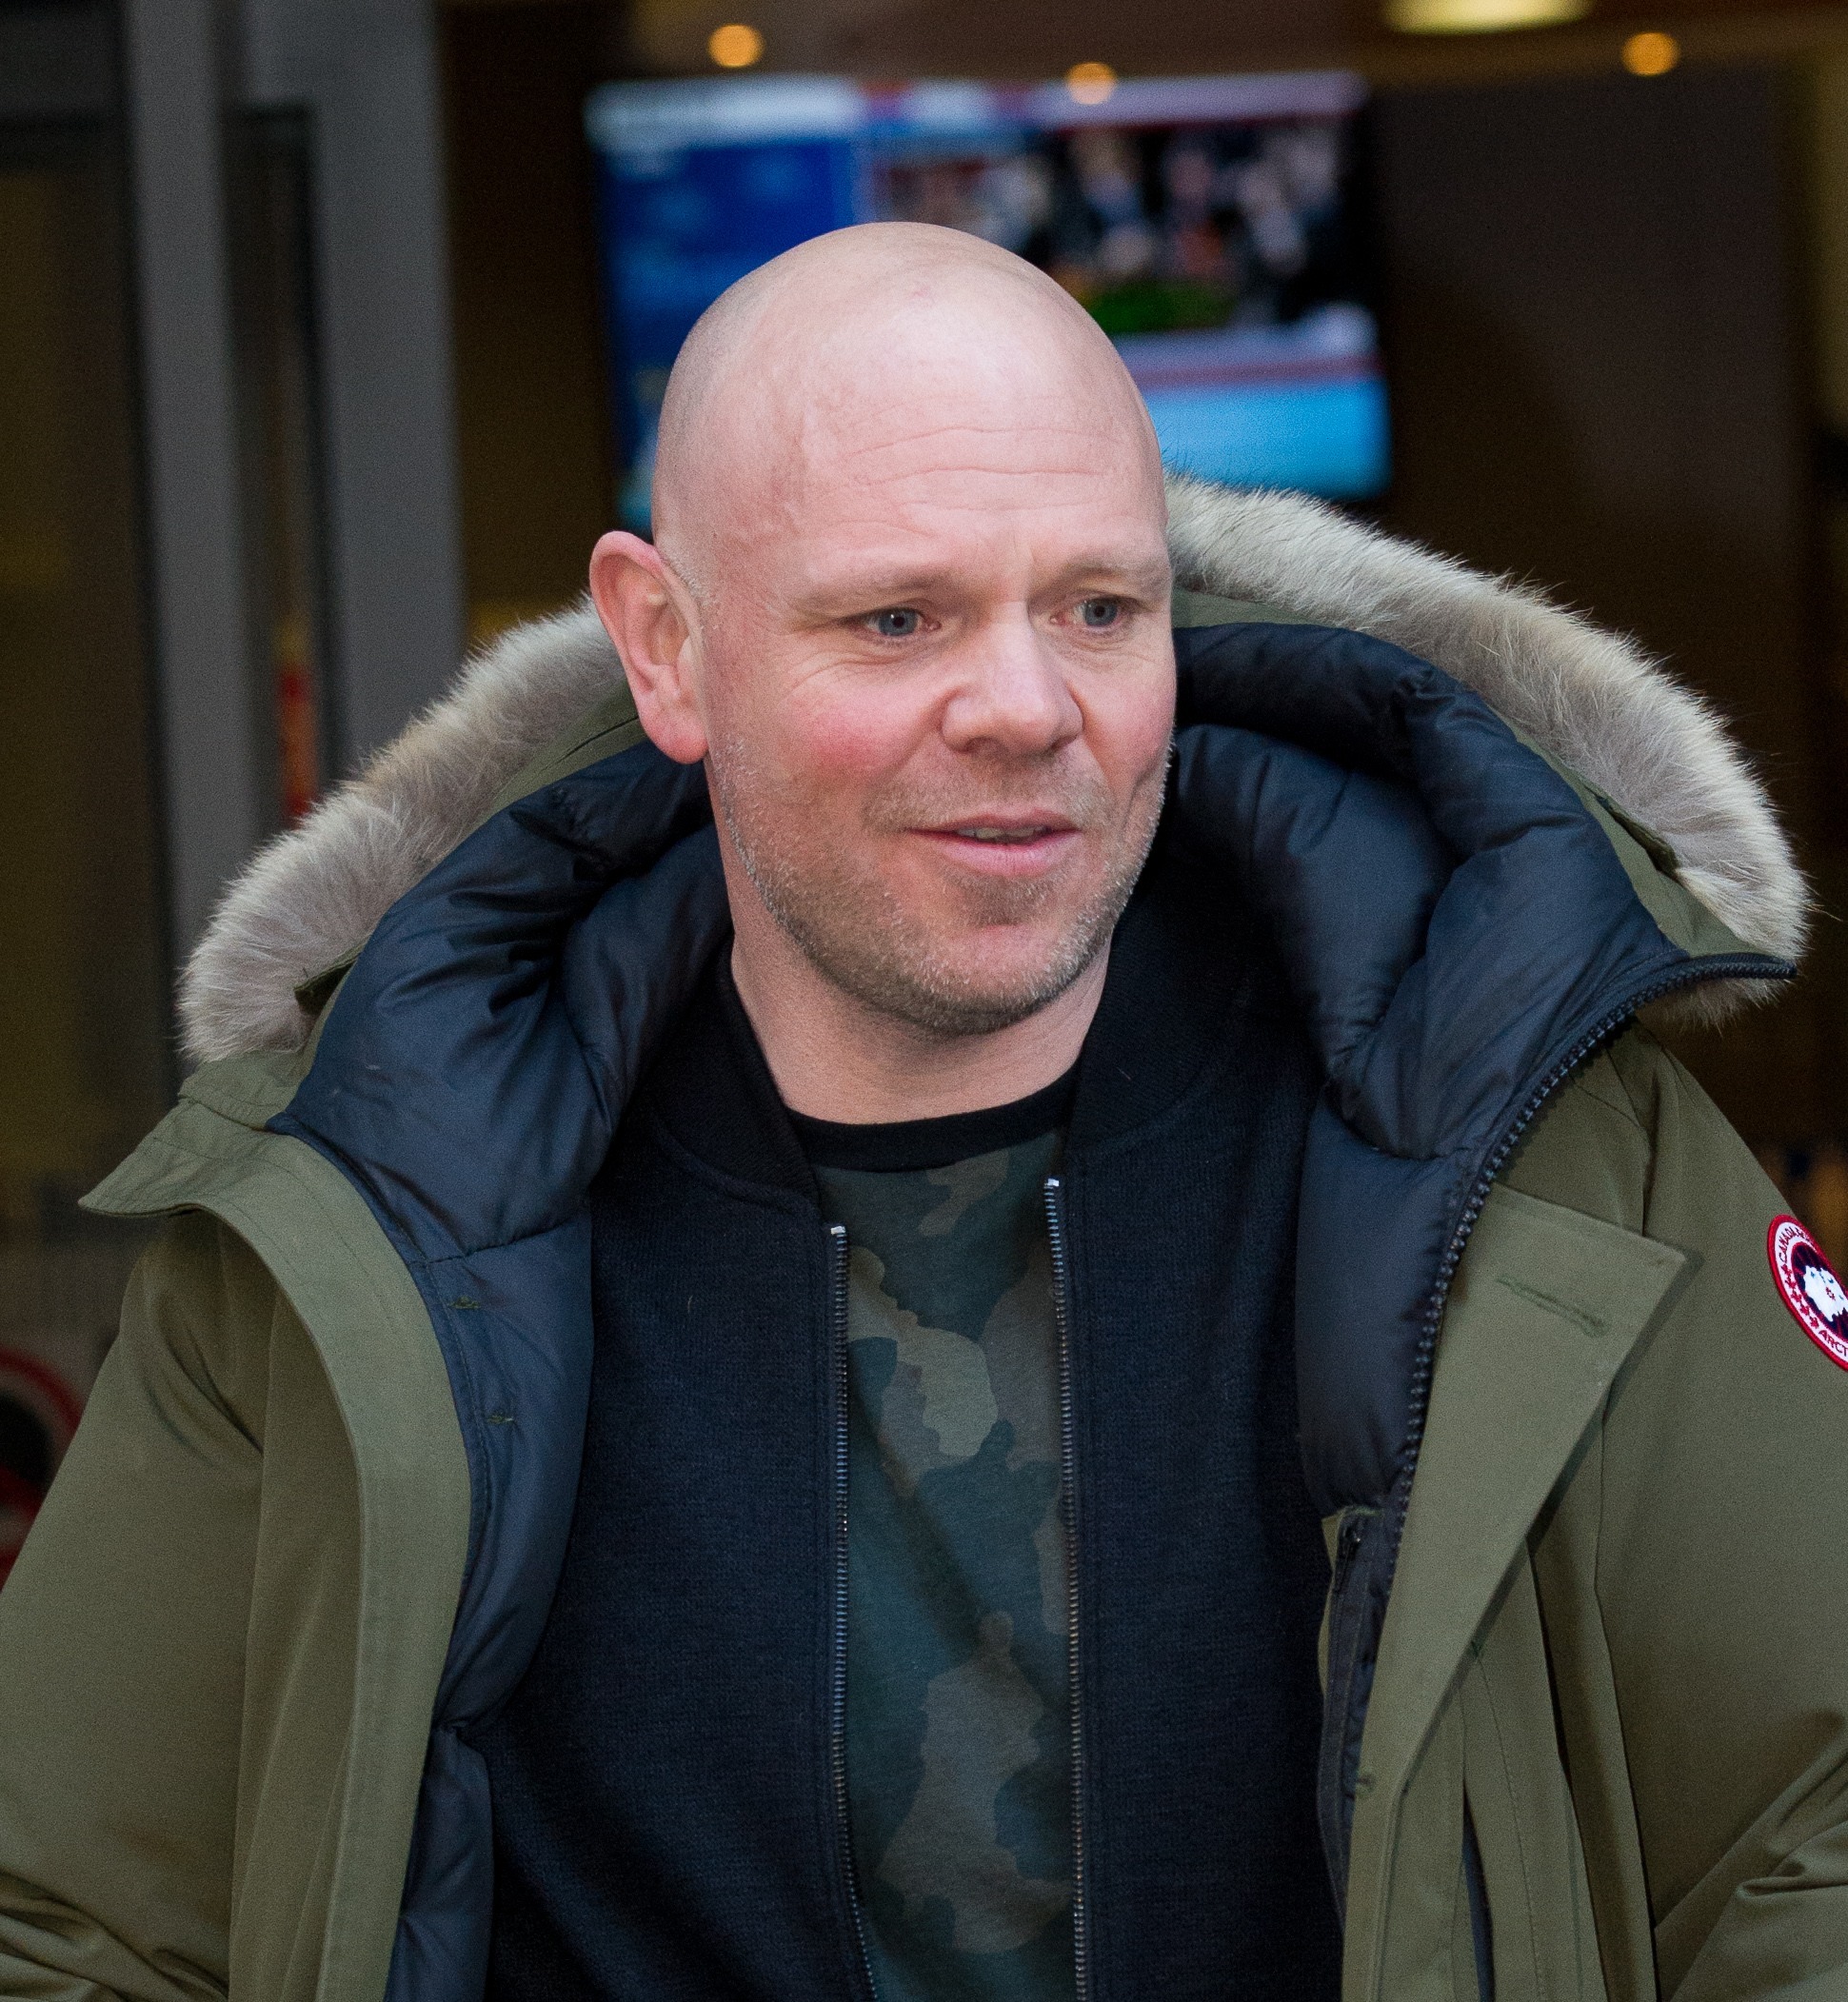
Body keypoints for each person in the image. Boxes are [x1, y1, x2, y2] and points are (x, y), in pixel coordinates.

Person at [0, 220, 1841, 2002]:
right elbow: (77, 1928)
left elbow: (1806, 1842)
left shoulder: (1548, 1149)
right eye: (898, 618)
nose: (1025, 708)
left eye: (1098, 608)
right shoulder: (353, 1221)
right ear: (664, 646)